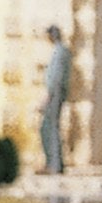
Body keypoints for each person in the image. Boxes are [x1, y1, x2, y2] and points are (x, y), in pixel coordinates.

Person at [39, 24, 72, 174]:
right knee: (50, 126)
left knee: (49, 127)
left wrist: (48, 95)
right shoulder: (62, 51)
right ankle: (55, 163)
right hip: (57, 92)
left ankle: (54, 164)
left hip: (55, 92)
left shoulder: (59, 52)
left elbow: (56, 77)